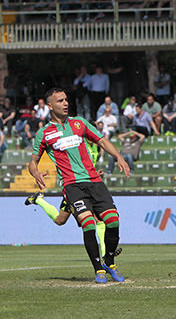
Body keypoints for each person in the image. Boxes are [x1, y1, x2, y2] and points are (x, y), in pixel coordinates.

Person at [28, 87, 130, 284]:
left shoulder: (80, 123)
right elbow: (33, 161)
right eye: (60, 101)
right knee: (88, 224)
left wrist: (118, 156)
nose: (65, 103)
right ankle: (98, 269)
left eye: (66, 100)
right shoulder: (44, 133)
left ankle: (109, 261)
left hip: (94, 181)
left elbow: (101, 141)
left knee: (113, 221)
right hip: (72, 185)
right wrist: (35, 171)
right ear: (50, 106)